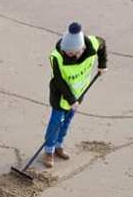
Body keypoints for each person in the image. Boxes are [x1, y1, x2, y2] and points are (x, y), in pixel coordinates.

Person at [42, 22, 107, 168]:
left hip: (79, 93)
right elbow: (59, 81)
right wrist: (71, 100)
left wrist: (102, 65)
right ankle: (49, 150)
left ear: (81, 49)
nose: (67, 53)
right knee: (56, 122)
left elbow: (102, 44)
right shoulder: (57, 57)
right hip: (60, 96)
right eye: (66, 51)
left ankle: (59, 146)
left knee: (67, 121)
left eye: (71, 52)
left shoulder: (92, 44)